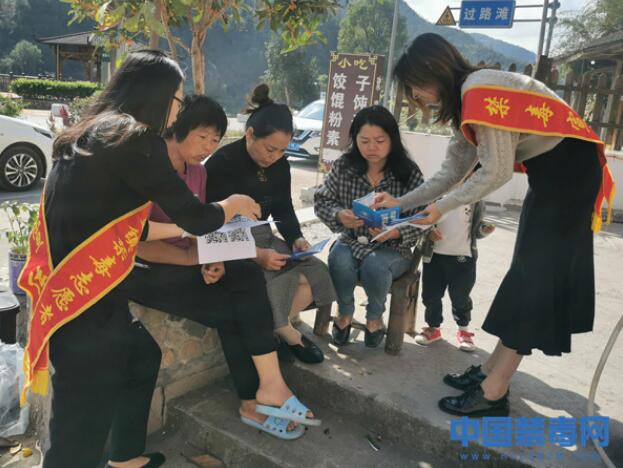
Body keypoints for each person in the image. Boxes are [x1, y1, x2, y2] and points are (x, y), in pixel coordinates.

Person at [18, 49, 271, 468]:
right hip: (88, 307)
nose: (177, 111)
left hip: (78, 292)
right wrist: (233, 205)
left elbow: (123, 227)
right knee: (79, 436)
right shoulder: (135, 139)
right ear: (159, 96)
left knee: (141, 356)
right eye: (178, 100)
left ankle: (125, 457)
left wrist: (190, 229)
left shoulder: (94, 132)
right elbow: (197, 217)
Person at [373, 33, 615, 417]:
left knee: (532, 282)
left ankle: (494, 391)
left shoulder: (478, 92)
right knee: (525, 275)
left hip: (568, 177)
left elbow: (496, 172)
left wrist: (439, 208)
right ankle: (489, 371)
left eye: (414, 88)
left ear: (432, 70)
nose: (416, 97)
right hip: (555, 174)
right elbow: (452, 172)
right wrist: (401, 203)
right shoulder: (468, 99)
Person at [125, 94, 317, 441]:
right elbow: (137, 241)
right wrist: (194, 257)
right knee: (235, 311)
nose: (208, 147)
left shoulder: (197, 172)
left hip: (188, 259)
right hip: (145, 270)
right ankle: (255, 400)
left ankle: (267, 388)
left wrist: (212, 258)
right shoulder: (148, 169)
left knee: (245, 276)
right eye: (202, 137)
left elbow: (204, 228)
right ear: (177, 128)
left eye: (215, 140)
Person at [204, 84, 336, 364]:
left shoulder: (280, 165)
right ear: (250, 134)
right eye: (270, 149)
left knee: (316, 272)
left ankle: (275, 328)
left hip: (263, 235)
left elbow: (284, 208)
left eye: (281, 151)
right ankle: (285, 332)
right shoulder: (222, 163)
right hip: (228, 245)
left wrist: (296, 239)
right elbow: (211, 227)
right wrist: (256, 255)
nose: (273, 157)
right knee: (287, 278)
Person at [314, 106, 428, 348]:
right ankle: (344, 314)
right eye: (364, 141)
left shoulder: (408, 173)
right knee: (339, 259)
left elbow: (424, 217)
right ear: (355, 140)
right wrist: (339, 215)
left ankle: (375, 318)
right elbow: (322, 200)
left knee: (375, 265)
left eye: (379, 141)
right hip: (351, 240)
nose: (371, 147)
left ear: (392, 140)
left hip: (394, 250)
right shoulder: (344, 166)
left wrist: (397, 232)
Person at [415, 195, 495, 351]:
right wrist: (429, 233)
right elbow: (421, 221)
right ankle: (433, 328)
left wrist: (483, 230)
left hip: (463, 257)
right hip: (434, 256)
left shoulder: (476, 198)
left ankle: (464, 331)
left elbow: (476, 228)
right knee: (431, 295)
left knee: (460, 297)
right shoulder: (437, 194)